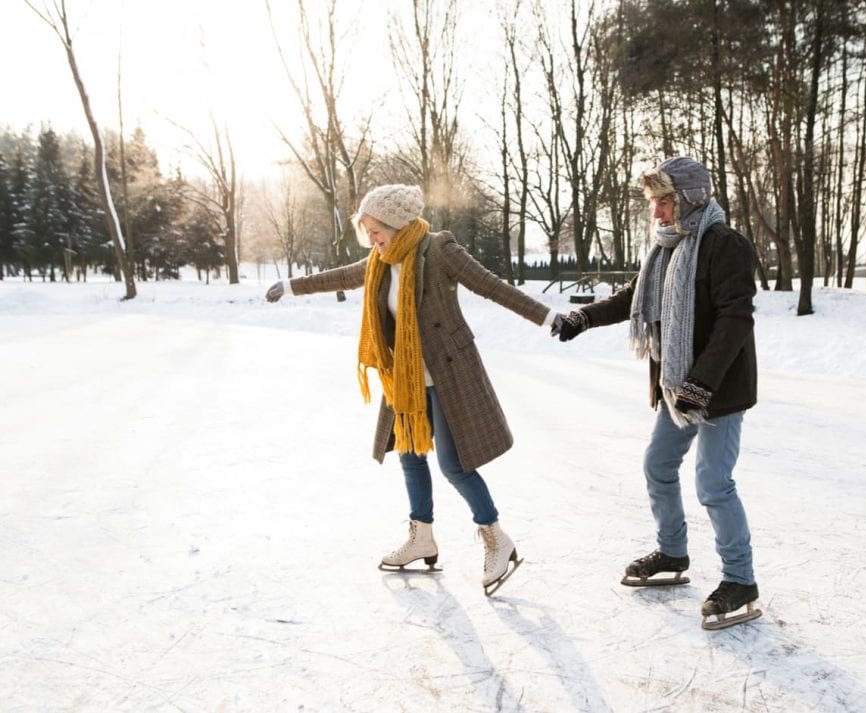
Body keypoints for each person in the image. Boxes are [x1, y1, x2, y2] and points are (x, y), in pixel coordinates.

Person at [266, 183, 557, 596]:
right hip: (404, 377)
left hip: (449, 373)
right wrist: (292, 285)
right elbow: (343, 275)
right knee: (408, 454)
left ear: (394, 224)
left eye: (374, 231)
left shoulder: (438, 251)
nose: (371, 240)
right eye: (366, 232)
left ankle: (496, 537)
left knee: (454, 465)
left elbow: (491, 285)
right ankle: (422, 536)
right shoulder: (380, 262)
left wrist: (547, 317)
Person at [553, 157, 761, 629]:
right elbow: (633, 297)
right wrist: (582, 318)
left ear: (687, 198)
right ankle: (672, 553)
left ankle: (740, 579)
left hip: (718, 390)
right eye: (653, 203)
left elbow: (734, 321)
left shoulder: (724, 245)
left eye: (663, 202)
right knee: (658, 466)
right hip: (675, 387)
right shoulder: (666, 250)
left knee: (713, 484)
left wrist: (700, 384)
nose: (657, 214)